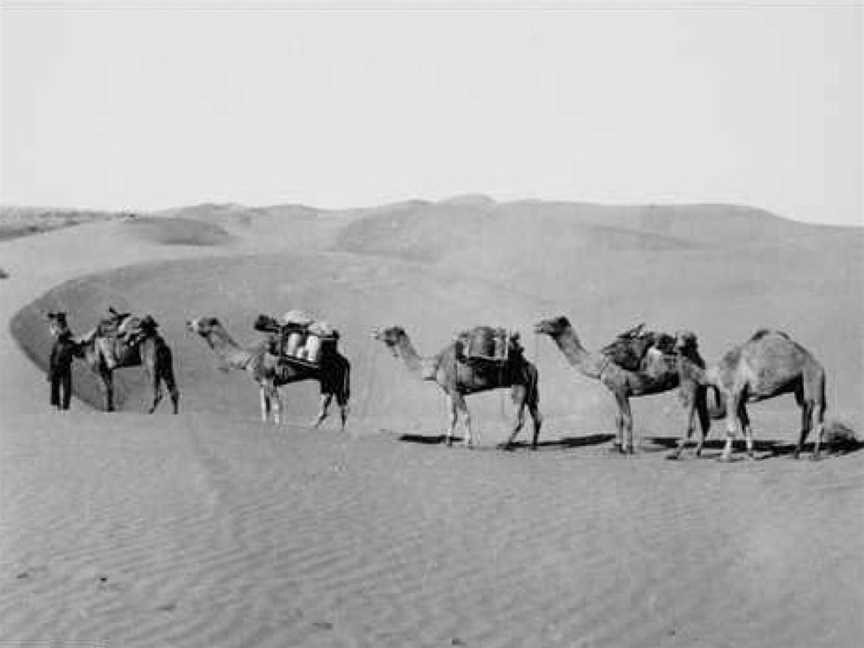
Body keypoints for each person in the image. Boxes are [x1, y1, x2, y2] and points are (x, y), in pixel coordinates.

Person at [47, 312, 76, 410]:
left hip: (64, 362)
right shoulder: (58, 329)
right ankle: (59, 405)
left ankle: (63, 406)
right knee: (59, 384)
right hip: (59, 361)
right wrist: (52, 320)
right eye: (60, 320)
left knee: (65, 386)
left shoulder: (63, 329)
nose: (61, 322)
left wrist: (52, 320)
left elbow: (63, 333)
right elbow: (58, 333)